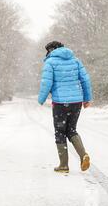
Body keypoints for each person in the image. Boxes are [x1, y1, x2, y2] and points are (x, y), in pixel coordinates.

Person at [38, 41, 93, 173]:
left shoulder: (50, 62)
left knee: (60, 132)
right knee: (72, 129)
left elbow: (47, 82)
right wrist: (87, 98)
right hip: (76, 102)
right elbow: (85, 80)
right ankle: (83, 154)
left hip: (60, 102)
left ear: (51, 50)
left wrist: (41, 99)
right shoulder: (76, 61)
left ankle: (64, 165)